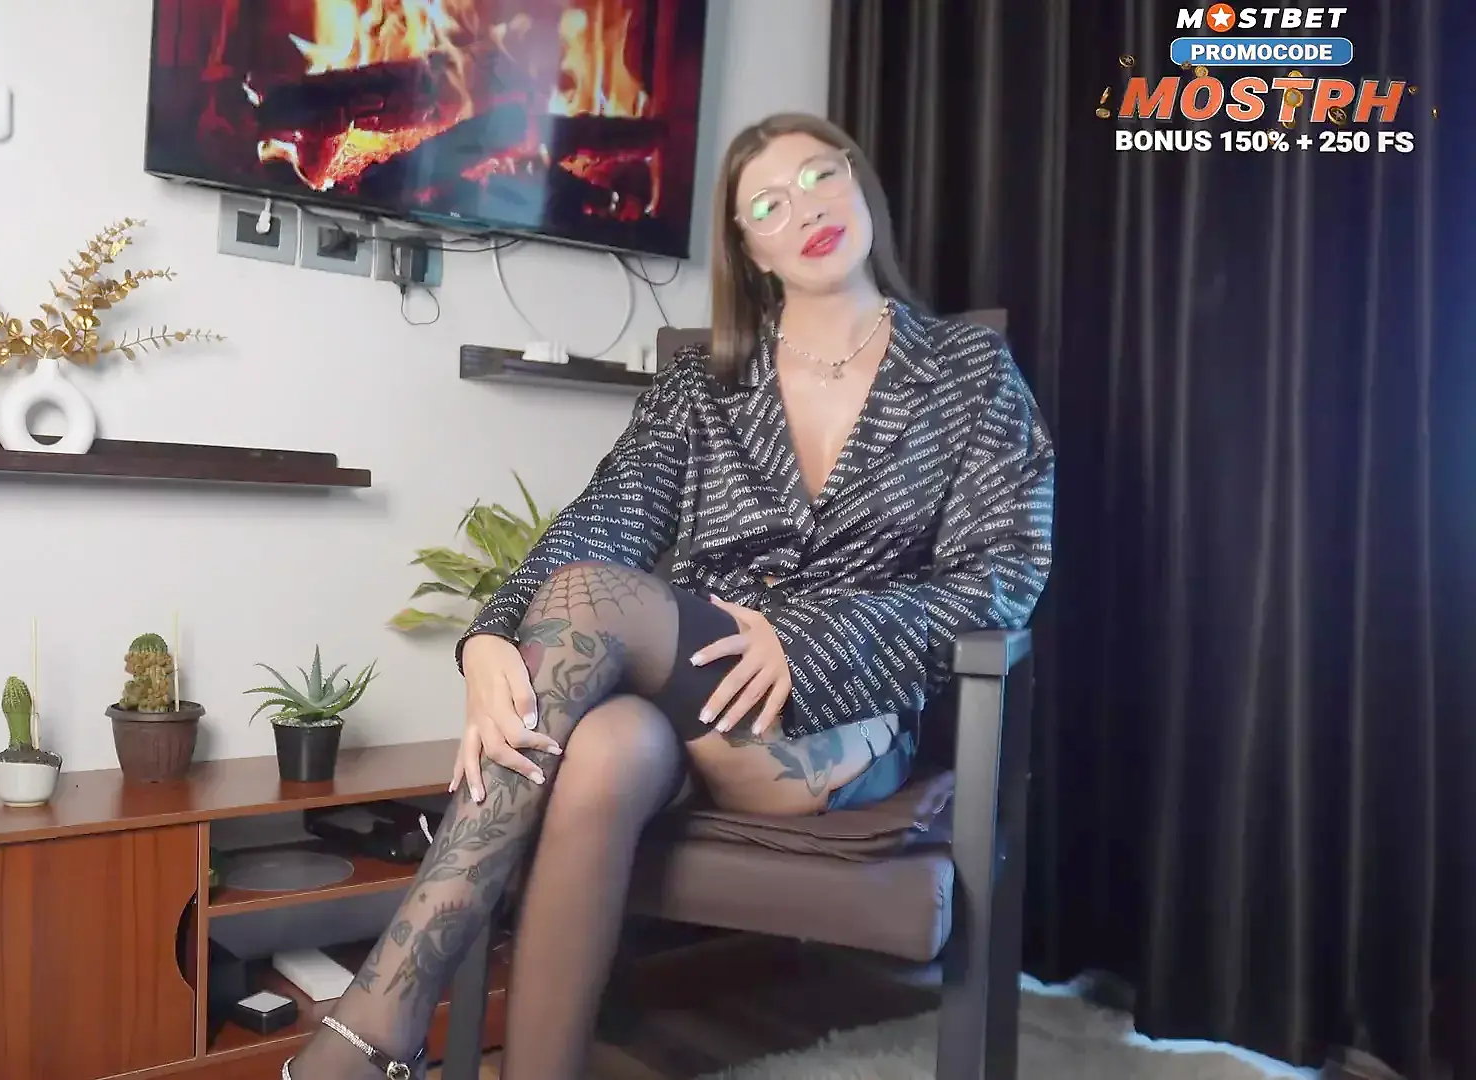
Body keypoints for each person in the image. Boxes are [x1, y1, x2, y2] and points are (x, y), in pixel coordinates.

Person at [283, 112, 1055, 1080]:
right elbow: (600, 525)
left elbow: (1004, 574)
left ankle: (374, 1031)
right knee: (603, 747)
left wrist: (807, 645)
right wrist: (487, 639)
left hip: (836, 725)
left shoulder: (968, 374)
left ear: (860, 186)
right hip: (692, 716)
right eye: (768, 205)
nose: (805, 209)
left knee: (593, 604)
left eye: (821, 177)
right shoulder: (702, 384)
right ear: (749, 248)